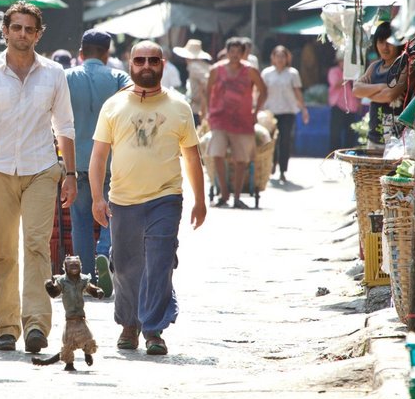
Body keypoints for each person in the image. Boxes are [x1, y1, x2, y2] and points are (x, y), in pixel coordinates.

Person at [0, 1, 77, 354]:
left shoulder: (54, 73)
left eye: (29, 29)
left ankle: (37, 325)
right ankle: (7, 327)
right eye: (17, 28)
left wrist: (70, 174)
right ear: (6, 31)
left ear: (39, 34)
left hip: (42, 168)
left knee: (37, 246)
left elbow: (66, 126)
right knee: (4, 252)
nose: (23, 34)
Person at [89, 40, 206, 356]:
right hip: (123, 199)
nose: (146, 66)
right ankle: (130, 324)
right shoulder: (113, 106)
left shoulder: (179, 107)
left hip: (165, 198)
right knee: (126, 266)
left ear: (163, 65)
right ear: (130, 64)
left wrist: (200, 200)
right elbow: (99, 156)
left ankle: (153, 329)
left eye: (153, 61)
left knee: (159, 261)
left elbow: (192, 157)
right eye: (139, 60)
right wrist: (97, 198)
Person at [65, 29, 130, 298]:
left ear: (81, 53)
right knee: (113, 213)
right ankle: (105, 250)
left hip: (77, 161)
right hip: (112, 161)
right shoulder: (119, 78)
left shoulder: (66, 78)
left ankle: (86, 278)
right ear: (107, 54)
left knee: (80, 218)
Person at [205, 36, 268, 209]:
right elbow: (208, 90)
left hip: (242, 119)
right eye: (231, 51)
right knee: (217, 153)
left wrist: (256, 112)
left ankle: (237, 196)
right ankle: (224, 192)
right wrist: (208, 111)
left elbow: (263, 90)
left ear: (243, 53)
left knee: (242, 159)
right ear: (226, 52)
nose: (234, 55)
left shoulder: (250, 71)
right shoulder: (216, 70)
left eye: (237, 52)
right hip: (219, 118)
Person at [353, 21, 408, 152]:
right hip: (374, 137)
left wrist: (368, 93)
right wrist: (381, 86)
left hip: (396, 139)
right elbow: (356, 90)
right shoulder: (374, 67)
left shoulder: (404, 66)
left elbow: (390, 95)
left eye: (389, 42)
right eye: (381, 42)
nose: (385, 47)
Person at [261, 45, 309, 183]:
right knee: (271, 140)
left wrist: (304, 109)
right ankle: (272, 163)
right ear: (273, 58)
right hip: (271, 111)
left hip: (288, 111)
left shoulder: (292, 73)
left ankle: (283, 170)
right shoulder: (267, 73)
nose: (280, 59)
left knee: (285, 139)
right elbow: (262, 92)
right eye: (278, 56)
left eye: (283, 56)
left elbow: (297, 92)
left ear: (287, 58)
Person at [328, 49, 363, 150]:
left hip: (351, 106)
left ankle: (347, 153)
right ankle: (334, 153)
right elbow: (336, 84)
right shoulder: (333, 71)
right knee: (335, 133)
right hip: (338, 105)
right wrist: (347, 75)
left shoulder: (355, 74)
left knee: (350, 132)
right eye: (342, 61)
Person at [174, 39, 212, 127]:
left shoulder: (194, 66)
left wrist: (203, 95)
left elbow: (206, 81)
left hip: (198, 108)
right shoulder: (205, 65)